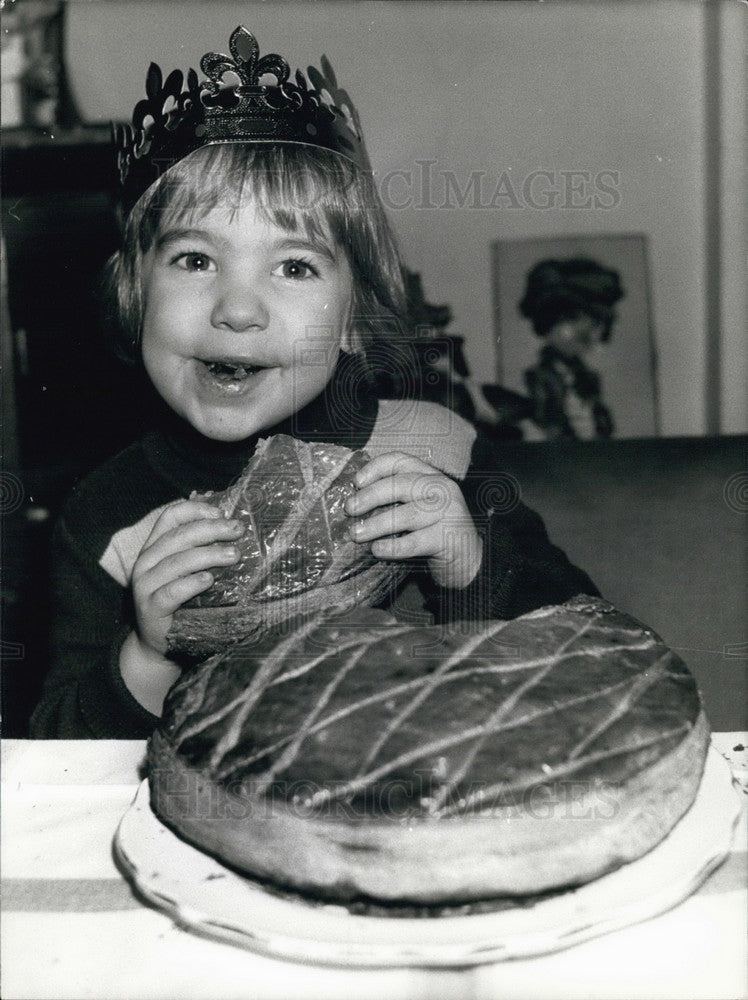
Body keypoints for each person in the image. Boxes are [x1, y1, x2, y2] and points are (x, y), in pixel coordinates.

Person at [30, 26, 597, 738]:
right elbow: (51, 765)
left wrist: (469, 563)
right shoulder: (104, 519)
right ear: (135, 296)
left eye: (294, 267)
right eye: (195, 260)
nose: (237, 309)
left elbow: (584, 647)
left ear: (354, 318)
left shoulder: (430, 450)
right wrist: (147, 655)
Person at [520, 258, 624, 440]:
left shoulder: (589, 378)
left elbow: (605, 429)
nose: (594, 335)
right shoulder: (539, 377)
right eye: (570, 319)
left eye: (596, 325)